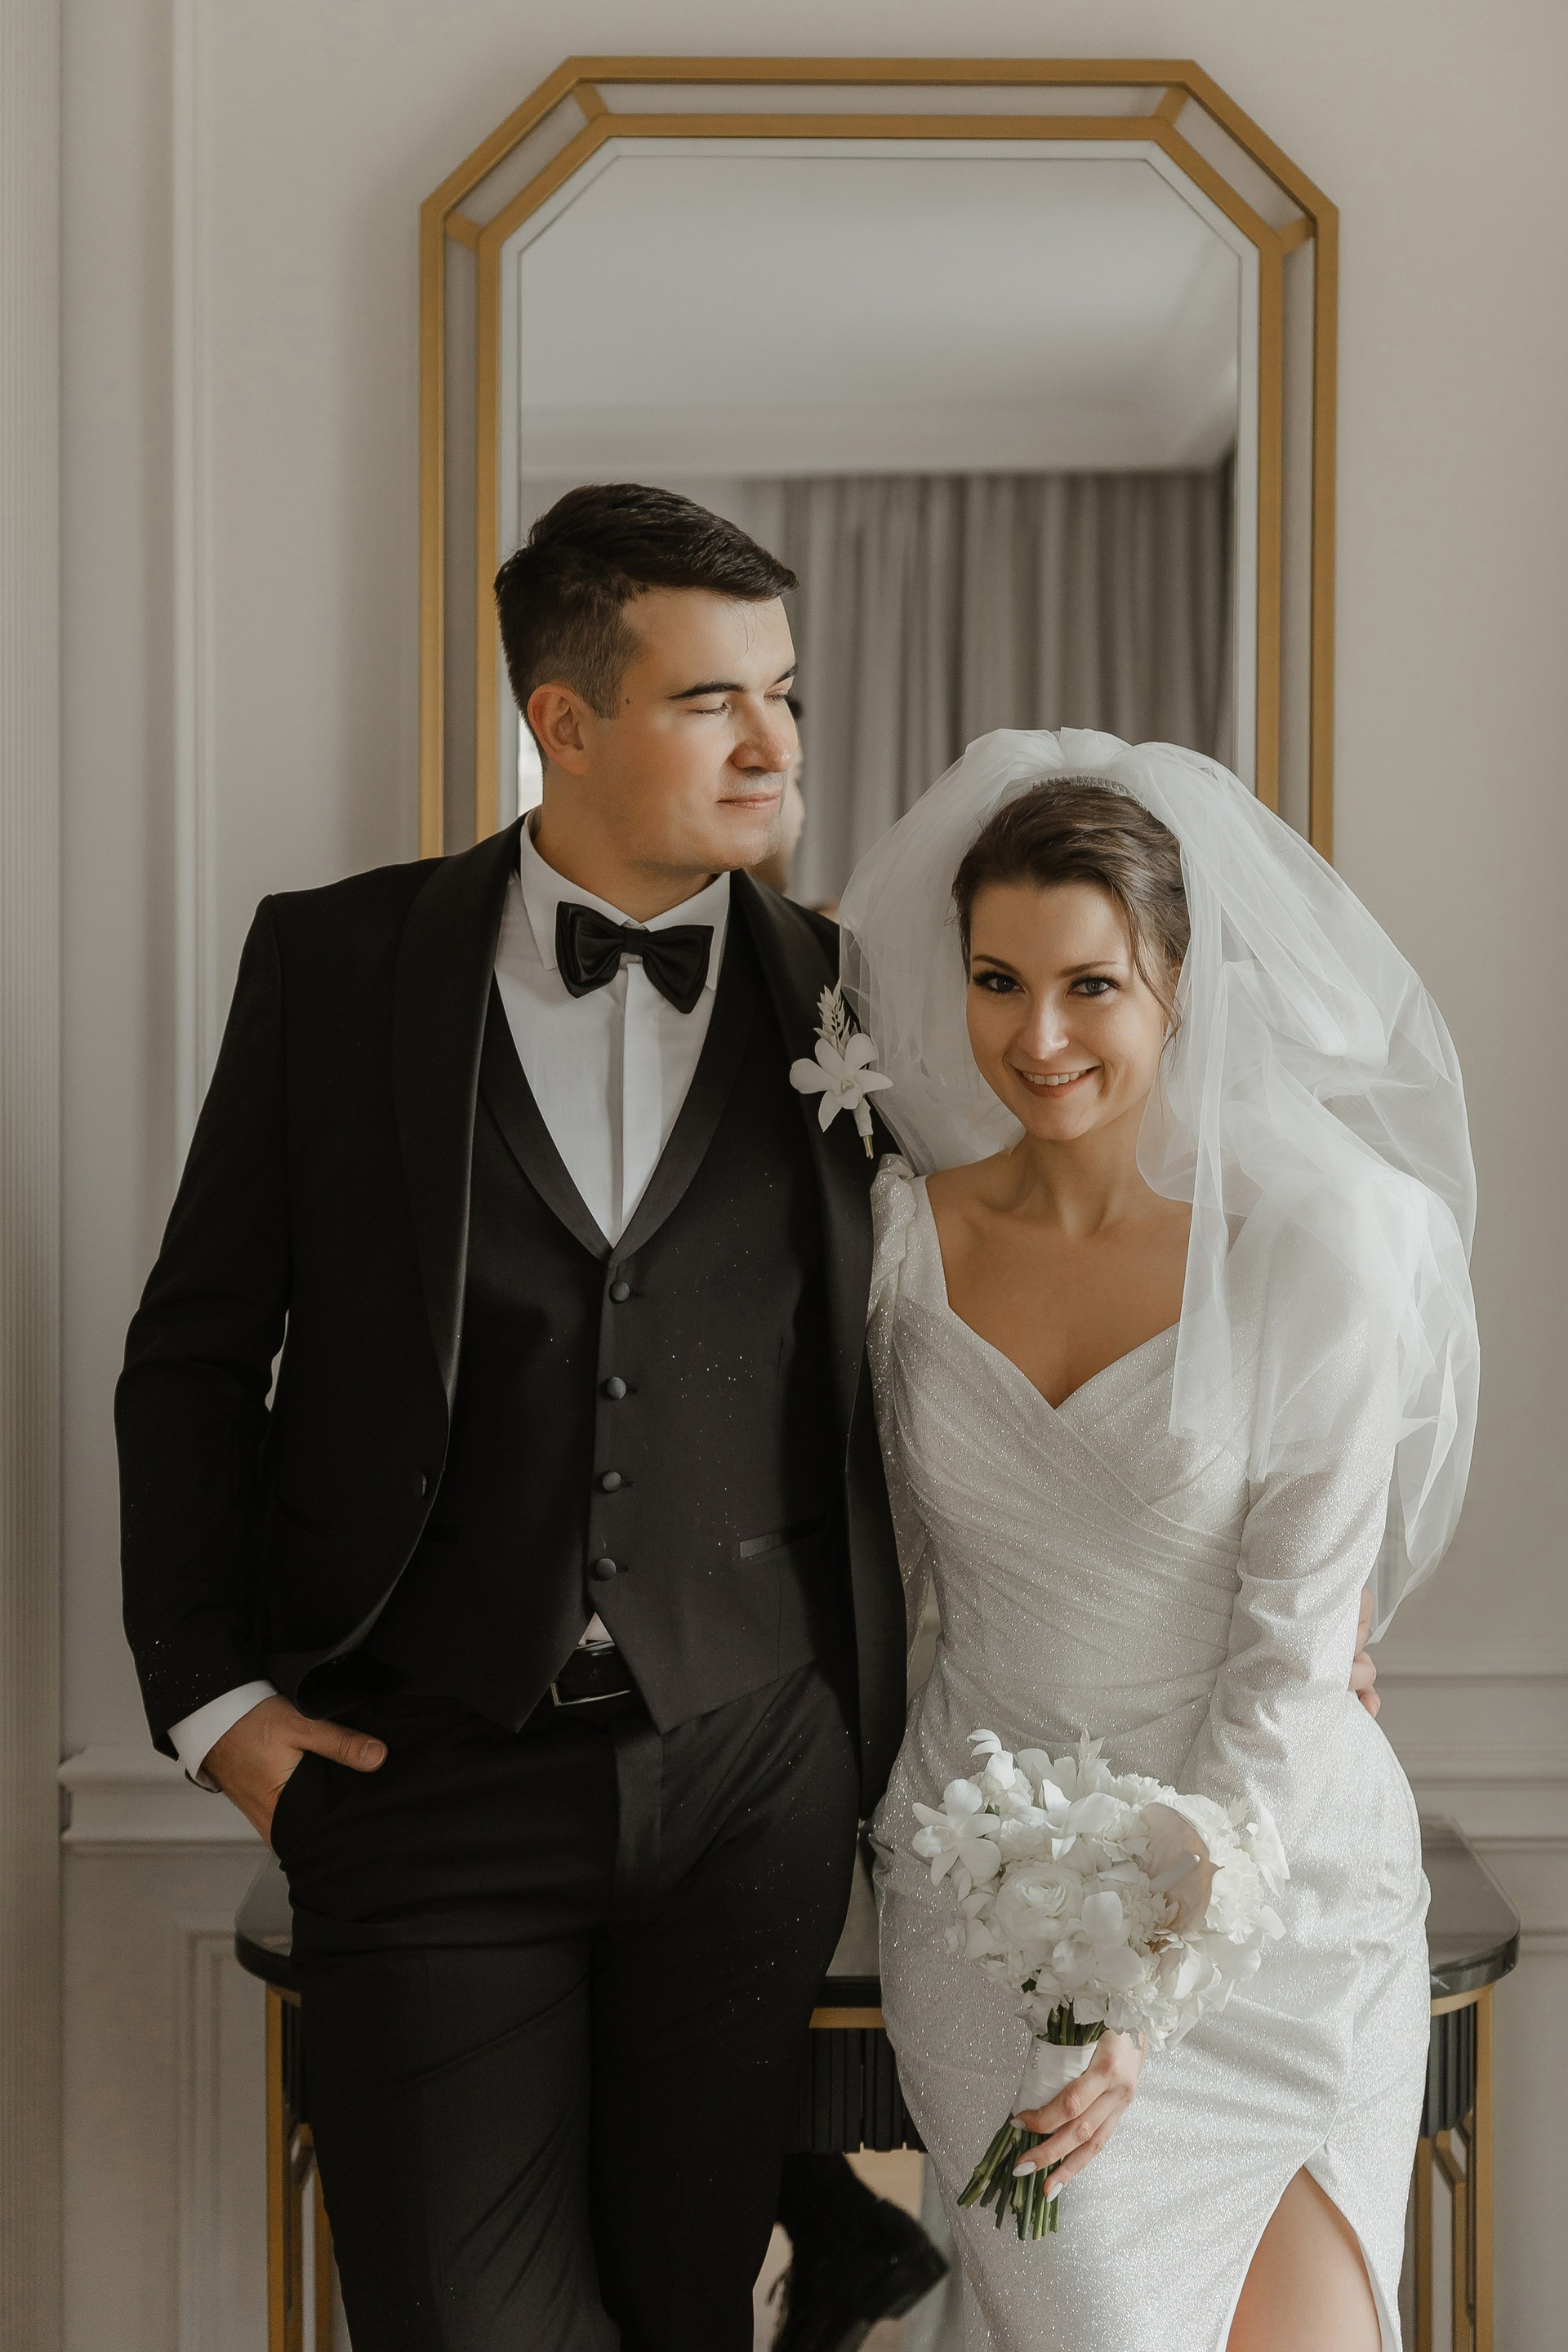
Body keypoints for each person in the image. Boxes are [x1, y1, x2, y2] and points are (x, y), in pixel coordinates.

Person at [114, 483, 912, 2351]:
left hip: (754, 1780)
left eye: (784, 692)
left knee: (687, 2309)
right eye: (714, 700)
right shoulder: (333, 965)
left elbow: (1026, 1292)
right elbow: (197, 1351)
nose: (777, 744)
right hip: (421, 1771)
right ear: (565, 719)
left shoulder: (858, 995)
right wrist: (213, 1703)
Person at [844, 733, 1477, 2352]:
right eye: (998, 982)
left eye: (1092, 987)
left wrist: (1152, 1981)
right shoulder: (894, 1250)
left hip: (1277, 1910)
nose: (1038, 1037)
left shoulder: (1317, 1257)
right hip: (986, 1910)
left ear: (1180, 987)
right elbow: (862, 1573)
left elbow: (1289, 1659)